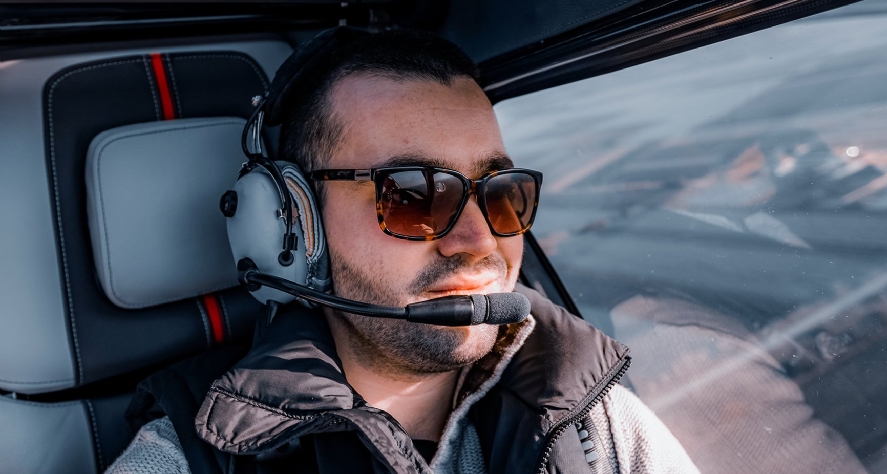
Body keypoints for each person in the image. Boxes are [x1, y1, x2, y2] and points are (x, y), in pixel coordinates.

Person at [106, 28, 699, 474]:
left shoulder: (589, 416)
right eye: (415, 195)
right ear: (293, 226)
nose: (479, 242)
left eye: (501, 194)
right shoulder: (190, 455)